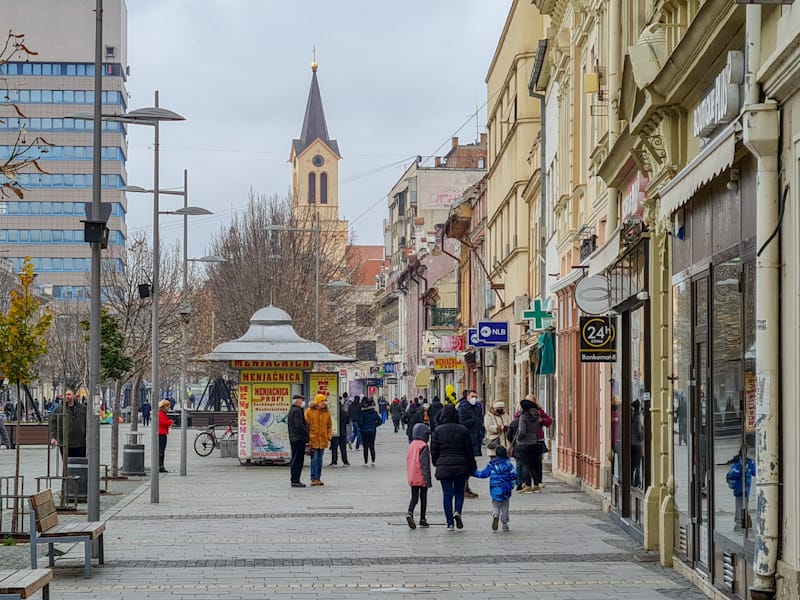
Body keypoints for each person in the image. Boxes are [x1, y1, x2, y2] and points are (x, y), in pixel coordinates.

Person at [431, 404, 477, 531]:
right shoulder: (462, 429)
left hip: (444, 465)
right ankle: (458, 511)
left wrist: (436, 463)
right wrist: (472, 466)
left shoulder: (438, 430)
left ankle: (450, 523)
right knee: (459, 492)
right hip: (461, 465)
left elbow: (434, 450)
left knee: (447, 494)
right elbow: (469, 450)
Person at [473, 445, 517, 531]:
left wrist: (473, 472)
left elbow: (483, 474)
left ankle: (495, 515)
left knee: (496, 504)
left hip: (495, 488)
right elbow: (514, 475)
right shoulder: (509, 465)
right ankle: (505, 523)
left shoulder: (491, 464)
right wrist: (513, 484)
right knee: (505, 506)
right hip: (506, 488)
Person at [457, 389, 483, 498]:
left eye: (475, 396)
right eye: (472, 396)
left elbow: (479, 420)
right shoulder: (463, 408)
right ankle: (463, 489)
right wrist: (474, 420)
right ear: (467, 396)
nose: (474, 398)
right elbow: (462, 423)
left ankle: (466, 487)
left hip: (475, 439)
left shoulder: (477, 407)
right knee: (466, 465)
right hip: (467, 440)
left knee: (471, 464)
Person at [405, 423, 432, 529]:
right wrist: (428, 479)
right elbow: (424, 464)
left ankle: (410, 512)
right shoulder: (423, 446)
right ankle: (422, 518)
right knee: (423, 497)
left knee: (414, 497)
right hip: (421, 475)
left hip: (412, 475)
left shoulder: (411, 445)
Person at [49, 389, 87, 459]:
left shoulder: (83, 409)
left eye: (69, 394)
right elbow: (53, 423)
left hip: (81, 443)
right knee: (67, 464)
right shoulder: (59, 409)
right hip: (65, 443)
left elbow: (88, 423)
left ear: (74, 396)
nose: (67, 396)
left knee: (80, 465)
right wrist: (53, 437)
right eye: (65, 395)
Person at [513, 398, 541, 493]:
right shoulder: (535, 416)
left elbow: (522, 431)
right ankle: (536, 484)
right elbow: (537, 429)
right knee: (533, 464)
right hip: (534, 442)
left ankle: (528, 484)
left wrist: (518, 438)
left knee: (525, 465)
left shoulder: (523, 417)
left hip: (524, 444)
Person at [305, 393, 332, 486]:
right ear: (317, 402)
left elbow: (329, 425)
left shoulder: (327, 412)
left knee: (320, 460)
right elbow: (306, 426)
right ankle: (313, 478)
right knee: (314, 459)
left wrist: (329, 436)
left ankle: (318, 478)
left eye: (325, 401)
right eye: (322, 401)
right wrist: (307, 438)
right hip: (313, 439)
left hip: (323, 440)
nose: (324, 403)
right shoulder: (309, 411)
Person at [726, 446, 755, 531]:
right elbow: (732, 475)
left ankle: (741, 521)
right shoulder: (739, 464)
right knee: (740, 504)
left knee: (744, 504)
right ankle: (739, 521)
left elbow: (755, 471)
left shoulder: (748, 463)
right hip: (739, 489)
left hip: (745, 489)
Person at [528, 394, 552, 490]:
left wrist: (541, 420)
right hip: (527, 439)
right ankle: (528, 481)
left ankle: (538, 481)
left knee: (538, 461)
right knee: (528, 462)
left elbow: (549, 421)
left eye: (532, 402)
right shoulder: (522, 411)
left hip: (538, 439)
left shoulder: (539, 411)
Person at [287, 394, 309, 487]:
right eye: (301, 400)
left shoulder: (292, 410)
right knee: (298, 460)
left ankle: (295, 479)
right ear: (297, 401)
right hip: (298, 438)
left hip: (294, 438)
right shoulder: (297, 411)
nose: (303, 402)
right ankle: (295, 480)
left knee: (295, 459)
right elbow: (298, 424)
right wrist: (306, 433)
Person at [358, 397, 382, 466]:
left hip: (364, 432)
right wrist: (374, 426)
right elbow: (380, 422)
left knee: (365, 447)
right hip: (372, 431)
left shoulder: (363, 413)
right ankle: (373, 461)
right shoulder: (374, 413)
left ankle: (366, 462)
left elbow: (360, 423)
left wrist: (362, 427)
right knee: (372, 446)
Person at [329, 396, 350, 467]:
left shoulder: (332, 413)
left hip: (335, 432)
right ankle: (345, 461)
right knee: (343, 448)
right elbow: (348, 421)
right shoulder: (344, 412)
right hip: (343, 432)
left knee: (334, 448)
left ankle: (334, 461)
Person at [157, 399, 173, 472]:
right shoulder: (161, 413)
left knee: (161, 450)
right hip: (161, 434)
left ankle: (160, 465)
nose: (168, 409)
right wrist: (170, 421)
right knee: (161, 451)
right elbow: (162, 422)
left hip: (161, 433)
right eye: (168, 407)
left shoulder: (161, 413)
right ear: (164, 407)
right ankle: (160, 466)